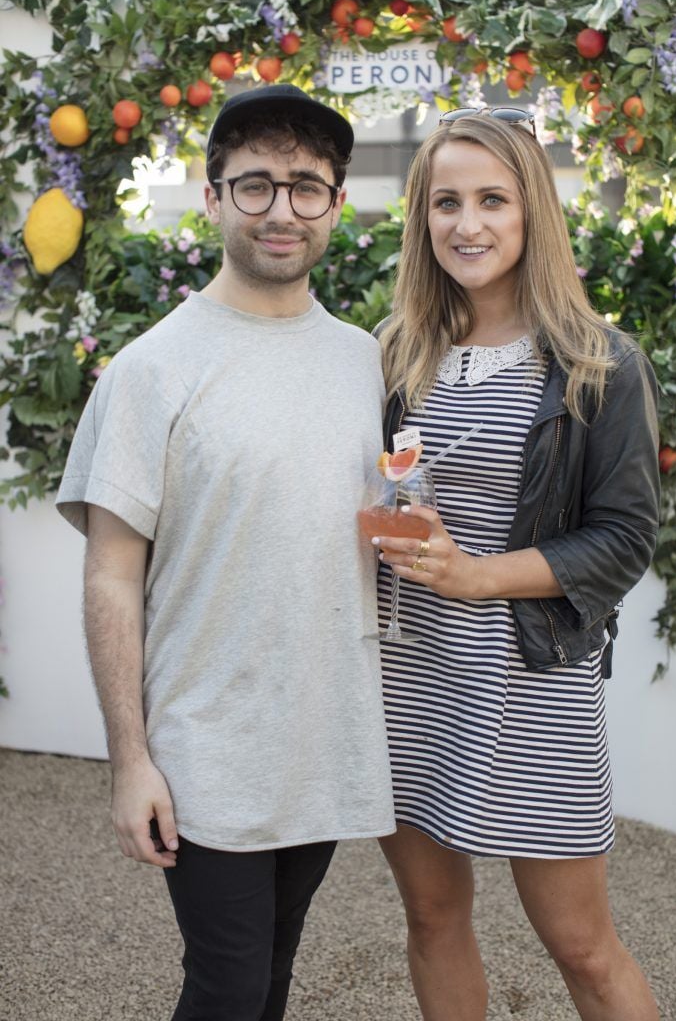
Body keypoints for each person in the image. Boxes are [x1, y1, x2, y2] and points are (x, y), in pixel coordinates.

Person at [56, 83, 395, 1021]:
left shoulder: (363, 361)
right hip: (207, 746)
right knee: (229, 984)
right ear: (211, 199)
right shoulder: (149, 369)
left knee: (273, 973)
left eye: (305, 186)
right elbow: (112, 575)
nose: (281, 210)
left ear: (335, 204)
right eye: (254, 185)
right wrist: (131, 760)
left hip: (321, 744)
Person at [371, 107, 661, 1020]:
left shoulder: (597, 364)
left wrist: (479, 576)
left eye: (492, 200)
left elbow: (622, 538)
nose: (467, 224)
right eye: (444, 202)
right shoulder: (394, 356)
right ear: (420, 218)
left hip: (529, 684)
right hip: (406, 679)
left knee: (580, 946)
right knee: (430, 919)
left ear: (531, 211)